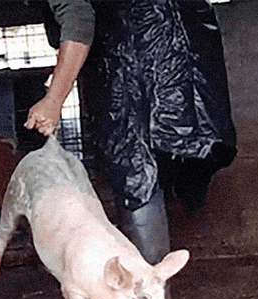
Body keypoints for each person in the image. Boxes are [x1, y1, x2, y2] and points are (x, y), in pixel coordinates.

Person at [27, 0, 238, 264]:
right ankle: (162, 252)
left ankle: (148, 281)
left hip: (127, 57)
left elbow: (78, 18)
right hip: (182, 50)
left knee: (135, 168)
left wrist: (54, 99)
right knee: (168, 155)